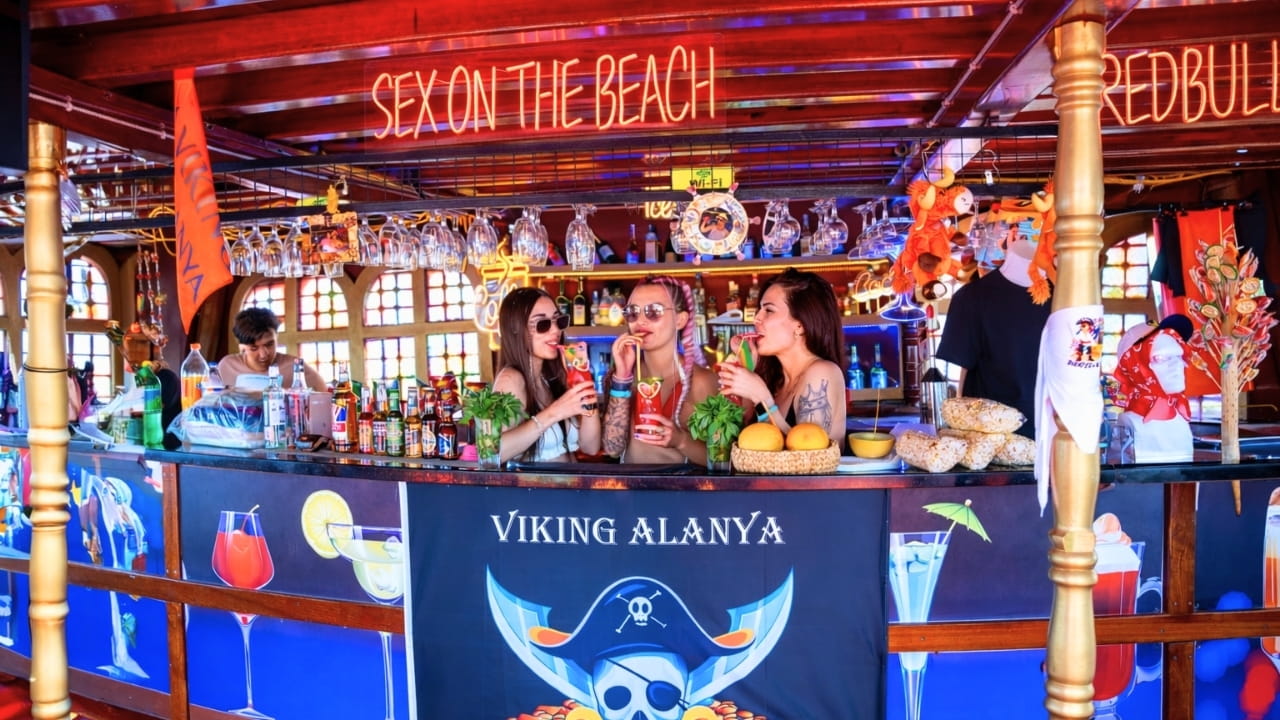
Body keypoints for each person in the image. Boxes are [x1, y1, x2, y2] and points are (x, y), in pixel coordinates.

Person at [935, 232, 1050, 438]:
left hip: (1053, 429)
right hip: (989, 434)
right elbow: (964, 371)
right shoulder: (970, 297)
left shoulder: (1065, 298)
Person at [716, 268, 847, 447]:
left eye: (769, 310)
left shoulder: (822, 372)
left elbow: (809, 455)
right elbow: (734, 441)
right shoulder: (775, 381)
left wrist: (762, 398)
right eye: (759, 309)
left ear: (800, 326)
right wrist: (746, 366)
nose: (756, 318)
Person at [602, 276, 718, 465]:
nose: (640, 321)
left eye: (654, 312)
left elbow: (721, 459)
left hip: (680, 483)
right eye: (632, 312)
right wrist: (622, 377)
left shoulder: (701, 381)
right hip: (629, 482)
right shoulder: (624, 376)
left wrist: (681, 441)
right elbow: (612, 449)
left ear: (680, 320)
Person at [491, 287, 601, 463]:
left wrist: (585, 384)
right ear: (516, 329)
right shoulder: (510, 379)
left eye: (559, 321)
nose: (556, 330)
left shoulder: (549, 377)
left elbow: (591, 447)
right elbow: (494, 452)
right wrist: (555, 412)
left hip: (570, 480)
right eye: (543, 324)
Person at [218, 307, 327, 391]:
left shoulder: (295, 367)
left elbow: (324, 398)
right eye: (254, 348)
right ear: (242, 347)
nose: (263, 355)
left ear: (277, 337)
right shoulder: (227, 367)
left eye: (269, 344)